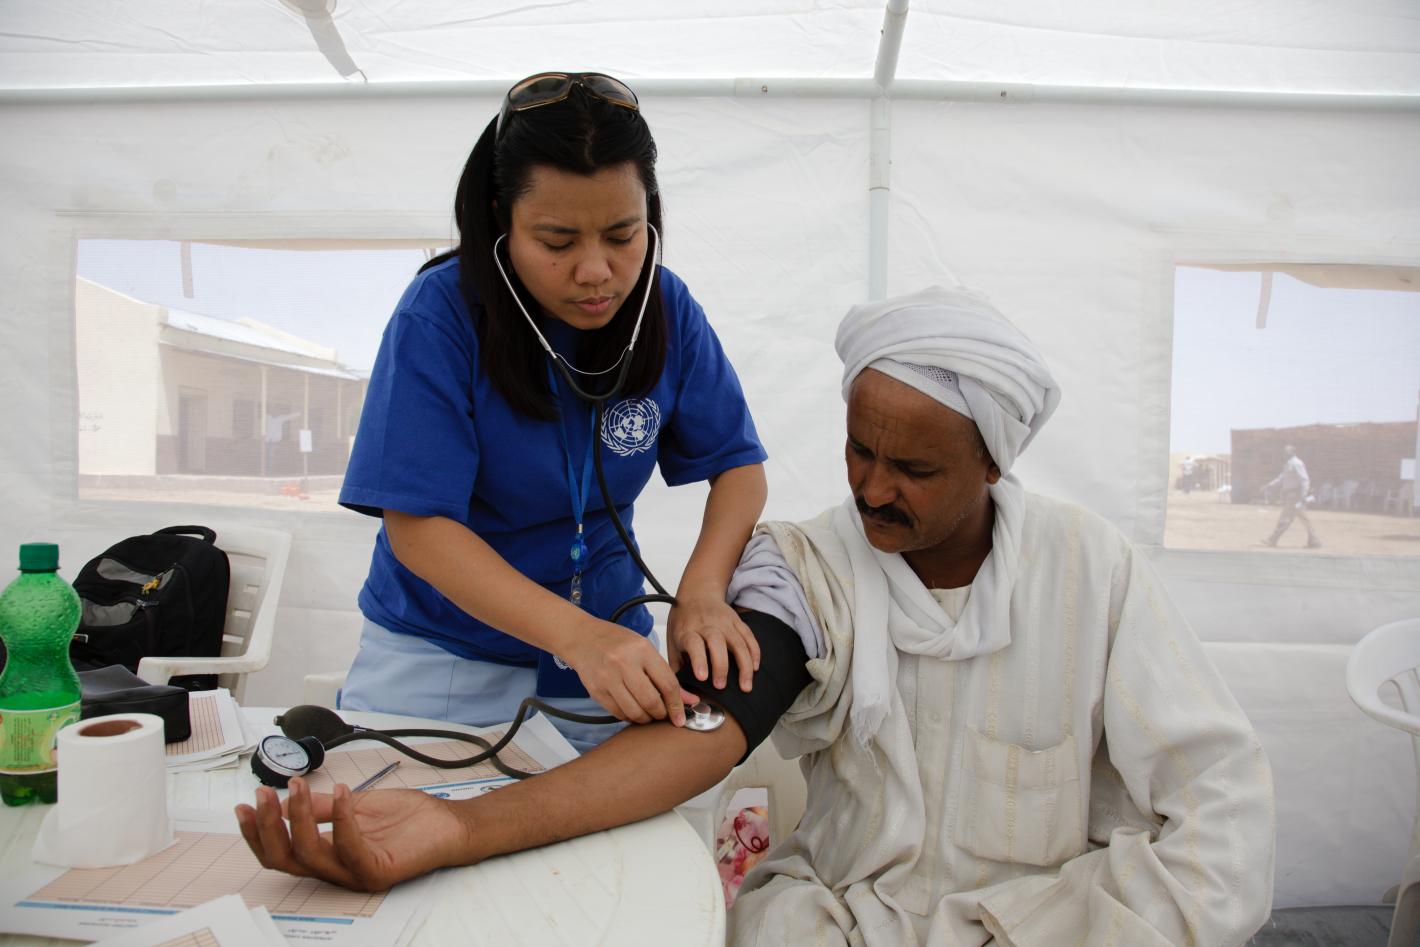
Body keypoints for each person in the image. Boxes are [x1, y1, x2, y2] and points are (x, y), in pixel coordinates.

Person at [240, 286, 1275, 947]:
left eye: (914, 468)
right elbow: (701, 737)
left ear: (995, 462)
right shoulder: (806, 567)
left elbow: (1216, 798)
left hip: (1052, 923)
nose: (871, 488)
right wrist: (456, 826)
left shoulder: (1092, 570)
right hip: (852, 922)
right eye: (858, 450)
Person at [335, 71, 769, 751]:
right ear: (500, 222)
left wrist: (703, 592)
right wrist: (576, 637)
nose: (595, 271)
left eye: (623, 235)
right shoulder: (439, 315)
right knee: (413, 812)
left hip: (611, 656)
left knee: (619, 818)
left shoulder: (667, 308)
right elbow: (418, 526)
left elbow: (739, 468)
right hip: (444, 658)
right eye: (558, 243)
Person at [1262, 444, 1321, 549]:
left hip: (1295, 495)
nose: (1284, 453)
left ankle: (1272, 539)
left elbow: (1304, 479)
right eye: (1284, 451)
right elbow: (1281, 478)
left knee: (1286, 517)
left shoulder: (1297, 463)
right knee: (1303, 518)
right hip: (1291, 495)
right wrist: (1269, 485)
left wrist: (1303, 494)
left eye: (1287, 451)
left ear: (1293, 452)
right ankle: (1314, 541)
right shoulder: (1288, 464)